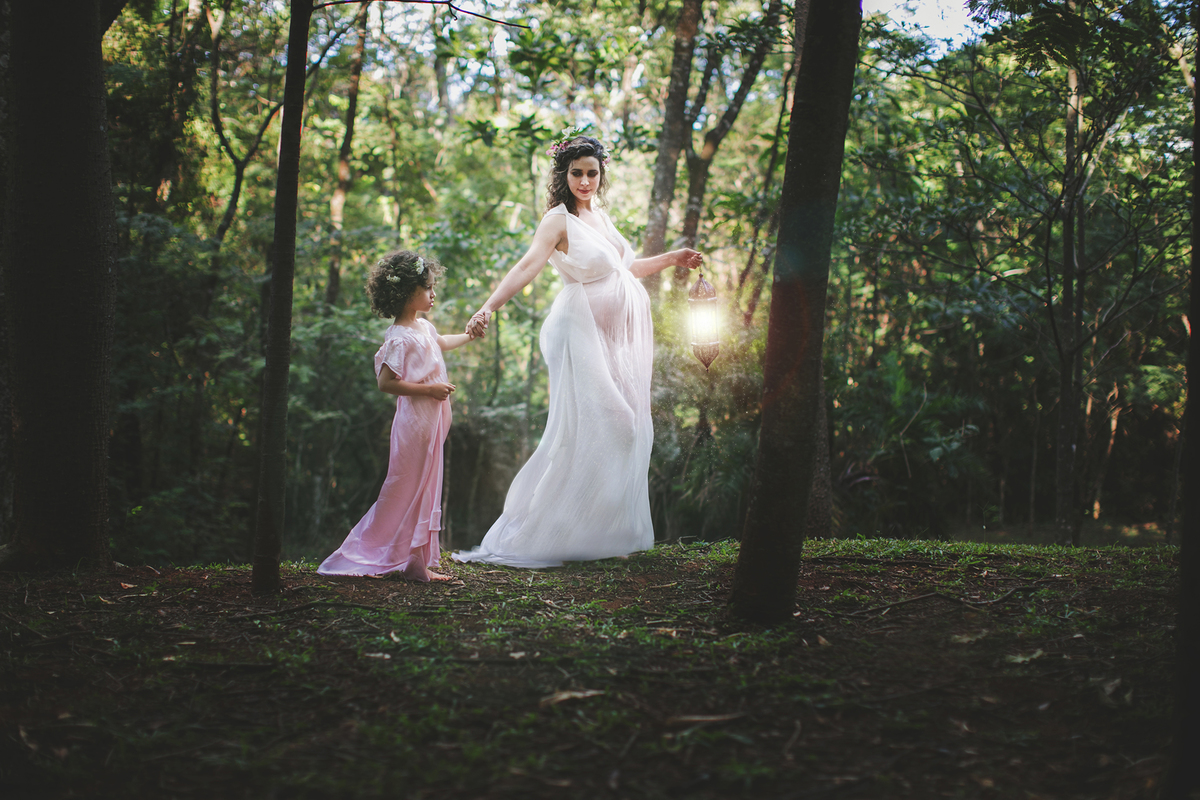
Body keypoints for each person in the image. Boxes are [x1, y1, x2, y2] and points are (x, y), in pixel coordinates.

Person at [453, 132, 702, 568]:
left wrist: (672, 258)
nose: (585, 181)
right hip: (580, 331)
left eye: (592, 173)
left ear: (601, 175)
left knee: (627, 428)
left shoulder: (599, 216)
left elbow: (627, 269)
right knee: (614, 424)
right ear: (563, 175)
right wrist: (488, 307)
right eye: (577, 173)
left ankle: (597, 534)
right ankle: (553, 531)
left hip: (613, 341)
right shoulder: (558, 220)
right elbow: (527, 265)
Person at [318, 250, 474, 581]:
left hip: (432, 423)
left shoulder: (424, 327)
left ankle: (416, 562)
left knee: (426, 486)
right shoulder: (398, 337)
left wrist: (470, 334)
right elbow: (386, 383)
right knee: (408, 488)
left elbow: (442, 342)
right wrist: (429, 390)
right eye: (427, 287)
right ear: (406, 292)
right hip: (415, 423)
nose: (433, 293)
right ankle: (389, 555)